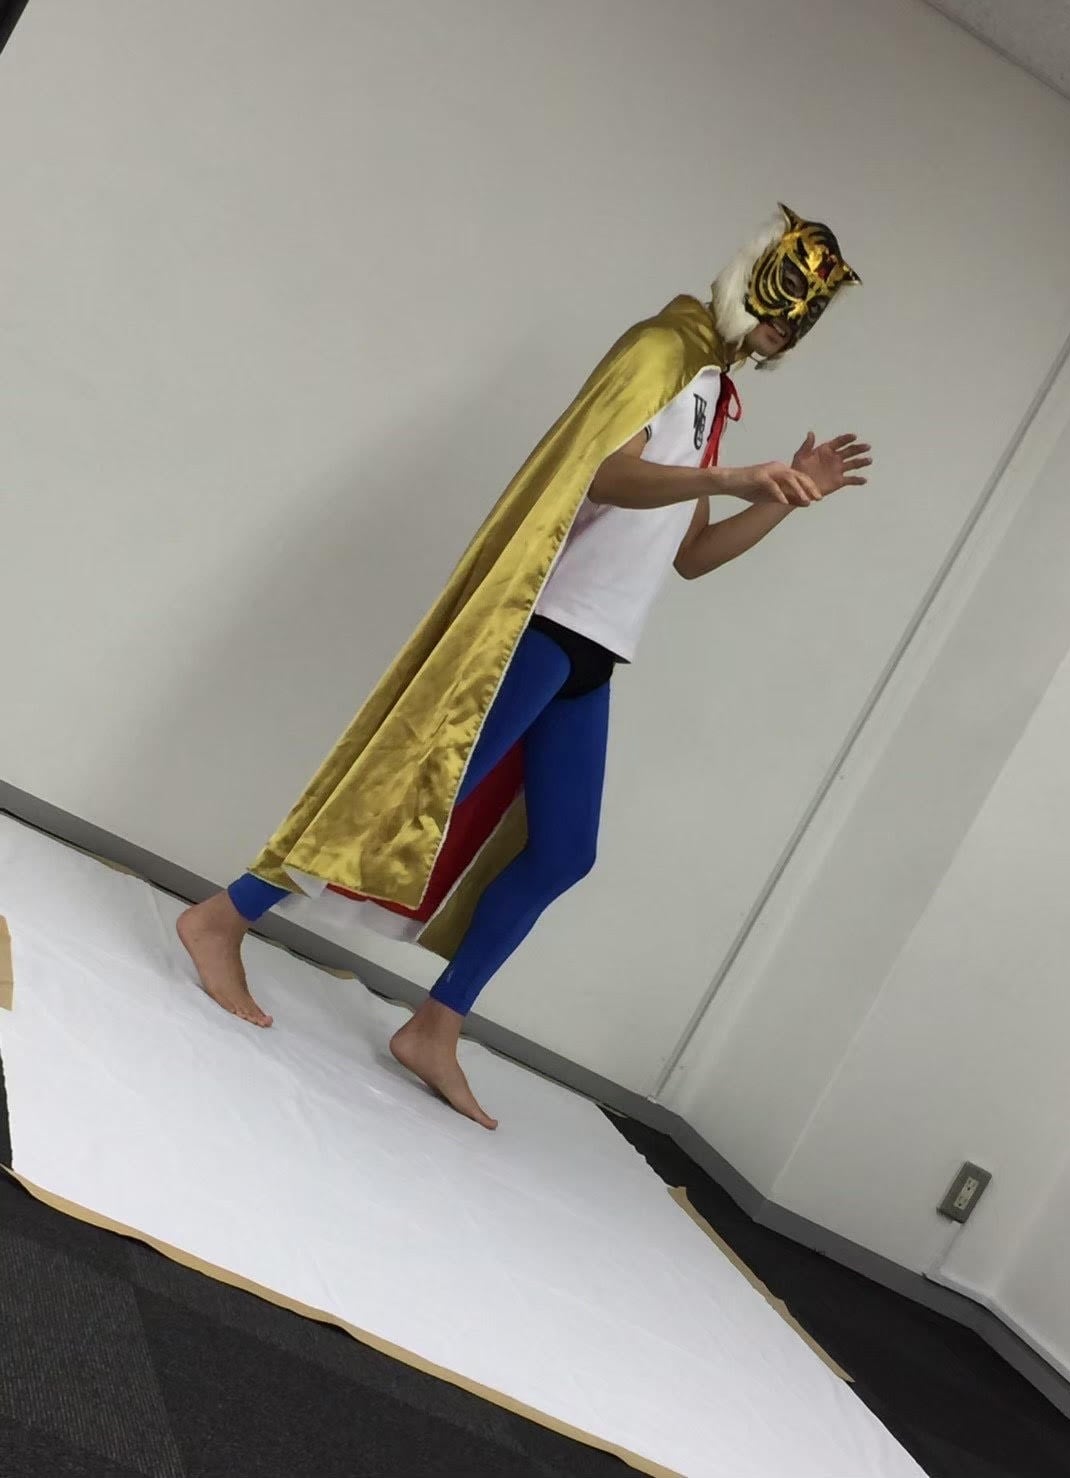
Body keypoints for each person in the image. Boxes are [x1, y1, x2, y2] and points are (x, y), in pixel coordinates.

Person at [178, 204, 869, 1129]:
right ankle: (223, 917)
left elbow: (692, 555)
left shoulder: (710, 389)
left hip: (596, 649)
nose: (786, 325)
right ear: (752, 276)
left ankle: (436, 1025)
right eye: (784, 300)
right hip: (541, 625)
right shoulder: (661, 350)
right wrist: (728, 475)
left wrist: (783, 495)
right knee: (410, 797)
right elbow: (601, 473)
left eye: (804, 318)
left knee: (563, 850)